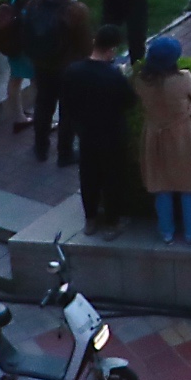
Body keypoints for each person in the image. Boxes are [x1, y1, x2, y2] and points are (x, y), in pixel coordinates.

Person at [139, 37, 191, 244]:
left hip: (154, 133)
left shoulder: (141, 81)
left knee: (161, 184)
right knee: (189, 183)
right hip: (183, 134)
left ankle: (166, 231)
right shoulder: (183, 79)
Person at [62, 27, 138, 238]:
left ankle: (90, 219)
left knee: (88, 176)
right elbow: (130, 102)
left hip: (86, 134)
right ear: (111, 49)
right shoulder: (113, 76)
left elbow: (67, 102)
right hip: (112, 135)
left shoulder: (72, 71)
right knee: (113, 177)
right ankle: (113, 222)